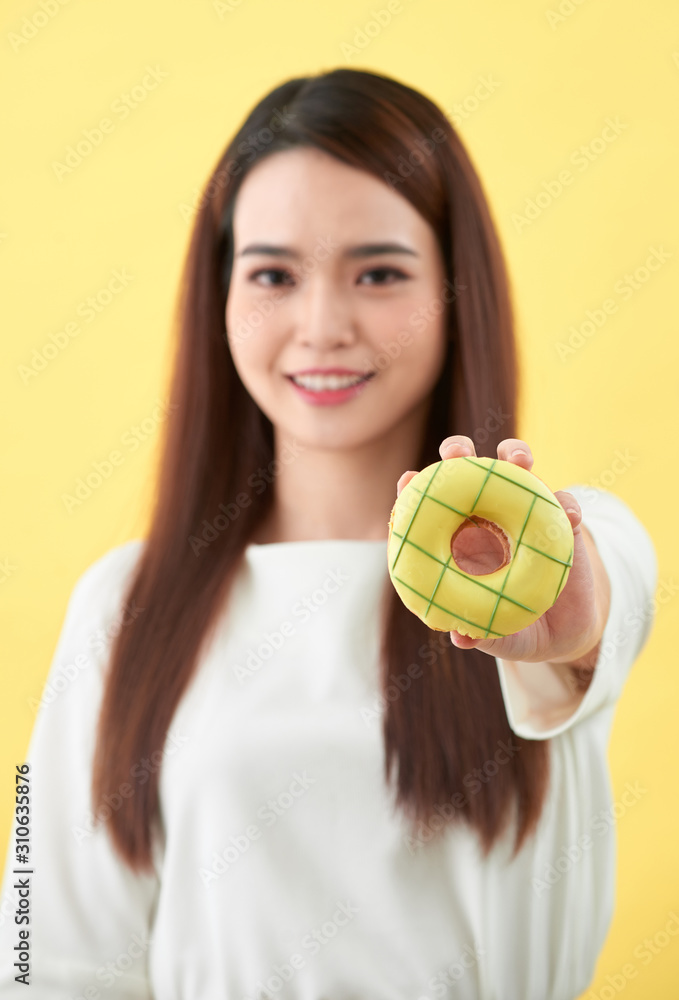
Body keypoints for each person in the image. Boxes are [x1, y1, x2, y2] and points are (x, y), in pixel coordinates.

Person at [0, 67, 657, 1000]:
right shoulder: (122, 602)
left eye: (379, 273)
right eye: (272, 273)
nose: (321, 325)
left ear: (456, 292)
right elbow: (40, 958)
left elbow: (602, 596)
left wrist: (569, 621)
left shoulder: (548, 556)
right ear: (219, 297)